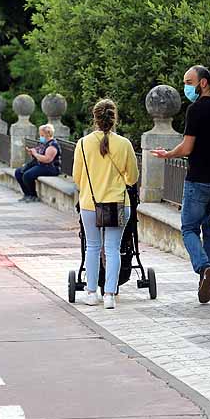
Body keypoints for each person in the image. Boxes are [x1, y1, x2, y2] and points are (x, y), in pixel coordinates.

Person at [152, 65, 210, 304]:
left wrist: (168, 154)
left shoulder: (195, 110)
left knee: (189, 229)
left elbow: (187, 147)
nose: (186, 87)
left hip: (198, 180)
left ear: (203, 83)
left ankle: (203, 269)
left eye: (189, 82)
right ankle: (209, 286)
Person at [72, 99, 139, 309]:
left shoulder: (83, 144)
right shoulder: (124, 144)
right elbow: (133, 177)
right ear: (114, 117)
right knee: (113, 248)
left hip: (90, 204)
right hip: (118, 202)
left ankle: (91, 293)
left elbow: (76, 177)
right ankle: (110, 295)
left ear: (95, 118)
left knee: (92, 246)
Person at [15, 124, 61, 203]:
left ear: (48, 134)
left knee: (27, 175)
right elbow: (38, 153)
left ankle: (33, 195)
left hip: (50, 168)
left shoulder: (53, 145)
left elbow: (47, 159)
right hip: (41, 165)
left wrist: (35, 154)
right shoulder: (43, 144)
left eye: (42, 135)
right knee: (19, 172)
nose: (41, 137)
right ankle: (27, 194)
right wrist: (32, 152)